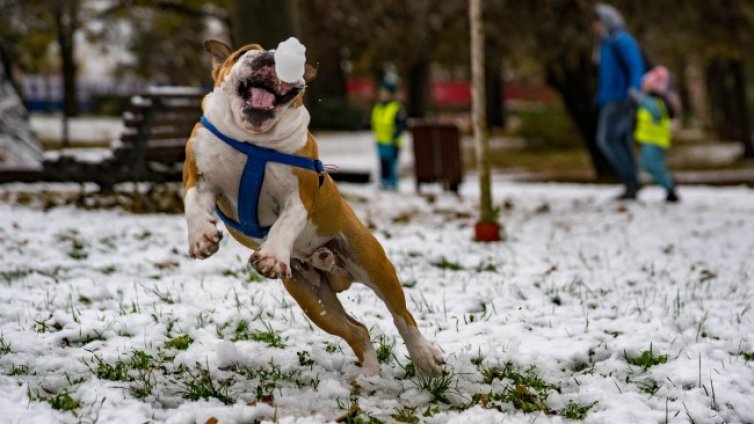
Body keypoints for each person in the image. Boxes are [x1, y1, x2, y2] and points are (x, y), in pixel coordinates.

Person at [592, 3, 644, 200]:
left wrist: (634, 89)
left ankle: (631, 180)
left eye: (596, 22)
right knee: (621, 140)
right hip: (609, 97)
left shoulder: (620, 40)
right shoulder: (604, 43)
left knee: (606, 139)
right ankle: (632, 182)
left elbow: (635, 65)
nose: (594, 27)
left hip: (621, 97)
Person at [632, 66, 680, 202]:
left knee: (650, 164)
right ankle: (669, 185)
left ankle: (669, 183)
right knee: (650, 164)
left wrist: (640, 99)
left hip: (655, 140)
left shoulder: (655, 102)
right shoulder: (653, 101)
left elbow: (654, 112)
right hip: (651, 139)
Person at [371, 79, 406, 190]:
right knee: (383, 163)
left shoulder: (396, 108)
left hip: (392, 143)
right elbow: (375, 122)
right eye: (381, 92)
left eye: (385, 92)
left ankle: (392, 183)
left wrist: (396, 135)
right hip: (381, 141)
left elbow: (401, 124)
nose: (382, 95)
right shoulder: (378, 107)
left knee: (391, 164)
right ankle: (384, 182)